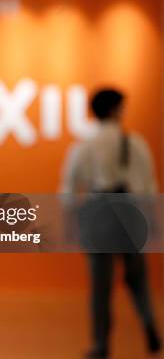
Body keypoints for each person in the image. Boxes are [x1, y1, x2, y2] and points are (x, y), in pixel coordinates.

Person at [60, 87, 161, 359]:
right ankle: (149, 321)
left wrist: (70, 223)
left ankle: (101, 344)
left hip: (98, 215)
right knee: (138, 279)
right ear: (116, 109)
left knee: (100, 288)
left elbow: (68, 189)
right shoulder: (135, 142)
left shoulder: (84, 146)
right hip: (129, 213)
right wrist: (151, 219)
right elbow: (149, 186)